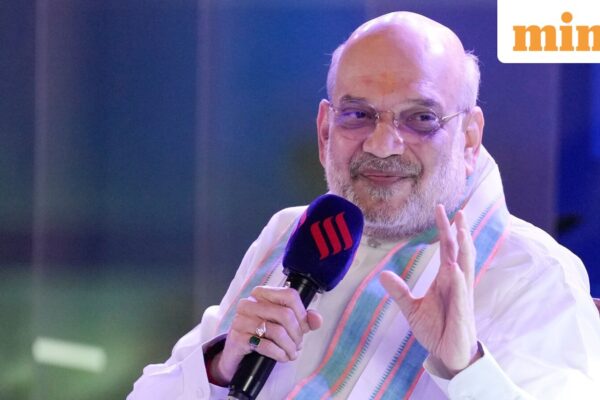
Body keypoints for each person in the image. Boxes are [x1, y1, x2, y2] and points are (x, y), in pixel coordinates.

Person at [128, 11, 600, 399]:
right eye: (358, 115)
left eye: (421, 118)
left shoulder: (535, 273)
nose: (382, 145)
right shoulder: (294, 234)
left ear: (470, 138)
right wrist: (221, 367)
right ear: (324, 131)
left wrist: (465, 369)